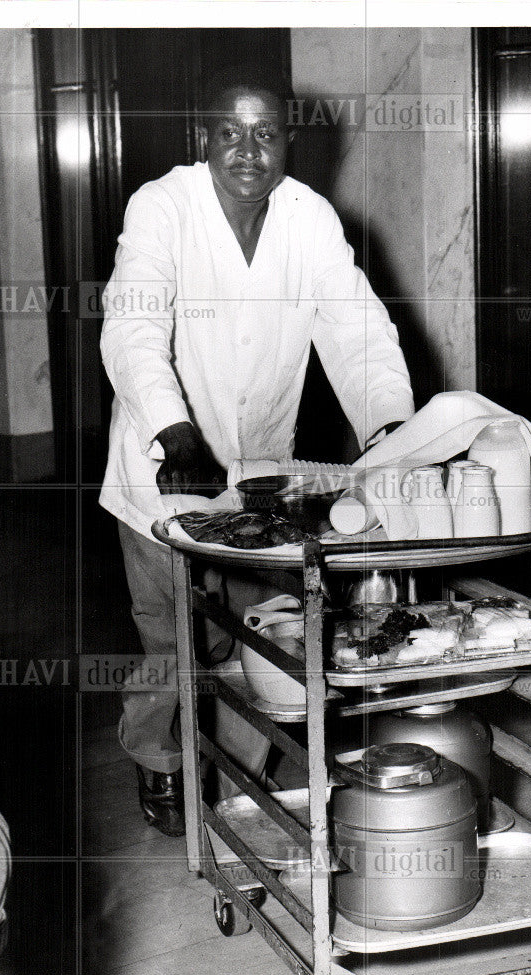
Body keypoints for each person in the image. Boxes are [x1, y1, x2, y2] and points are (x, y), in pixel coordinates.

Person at [99, 68, 414, 836]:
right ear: (202, 140)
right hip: (163, 474)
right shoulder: (162, 207)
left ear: (288, 142)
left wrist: (392, 432)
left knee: (258, 629)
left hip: (259, 481)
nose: (250, 150)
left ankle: (242, 767)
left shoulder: (310, 220)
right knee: (174, 641)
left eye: (267, 132)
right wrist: (174, 431)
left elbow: (358, 332)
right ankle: (161, 758)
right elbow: (132, 328)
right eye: (231, 132)